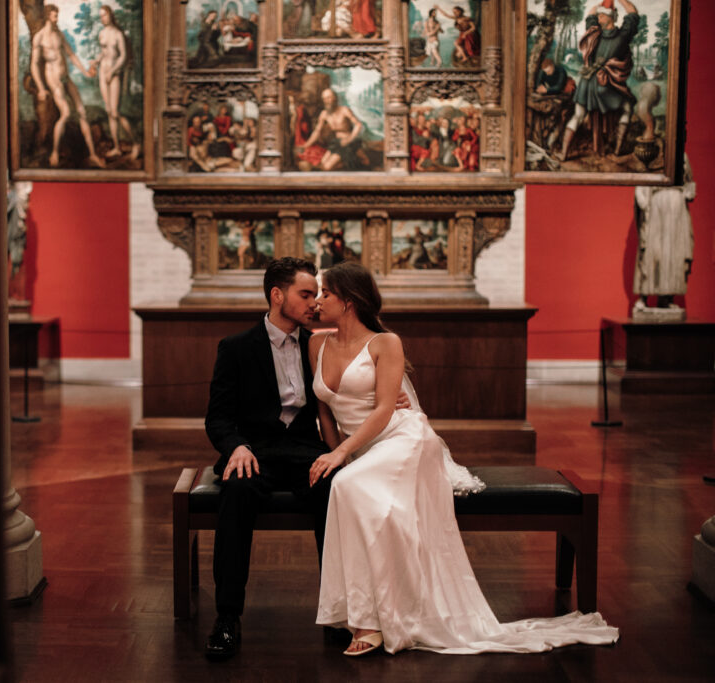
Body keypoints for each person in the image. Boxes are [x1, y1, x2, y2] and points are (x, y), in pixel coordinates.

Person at [308, 262, 620, 655]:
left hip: (402, 438)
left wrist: (340, 455)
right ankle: (360, 609)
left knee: (346, 485)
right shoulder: (316, 344)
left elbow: (387, 408)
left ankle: (371, 621)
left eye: (325, 294)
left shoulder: (385, 343)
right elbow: (324, 410)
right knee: (355, 492)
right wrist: (341, 452)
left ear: (349, 302)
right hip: (362, 448)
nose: (318, 302)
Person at [202, 257, 411, 661]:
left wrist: (389, 399)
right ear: (276, 295)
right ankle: (227, 616)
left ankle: (341, 611)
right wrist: (236, 447)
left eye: (317, 294)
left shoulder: (318, 343)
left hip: (303, 452)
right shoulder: (236, 348)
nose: (314, 302)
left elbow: (343, 393)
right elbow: (218, 417)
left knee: (337, 488)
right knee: (237, 490)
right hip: (255, 452)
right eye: (305, 294)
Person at [558, 0, 640, 161]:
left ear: (610, 18)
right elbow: (632, 14)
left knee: (578, 115)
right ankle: (617, 150)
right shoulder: (622, 36)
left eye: (602, 15)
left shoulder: (593, 34)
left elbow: (590, 15)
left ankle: (563, 153)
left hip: (587, 84)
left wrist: (599, 7)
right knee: (627, 109)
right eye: (599, 15)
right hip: (606, 85)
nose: (598, 17)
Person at [31, 4, 106, 169]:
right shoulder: (40, 38)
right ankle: (55, 152)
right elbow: (34, 65)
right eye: (54, 16)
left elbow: (71, 55)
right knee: (65, 113)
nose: (56, 18)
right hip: (54, 80)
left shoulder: (59, 35)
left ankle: (93, 155)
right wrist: (41, 87)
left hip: (66, 78)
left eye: (57, 15)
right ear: (47, 17)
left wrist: (86, 72)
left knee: (82, 112)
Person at [633, 156, 696, 310]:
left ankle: (666, 298)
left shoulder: (683, 155)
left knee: (674, 253)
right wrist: (643, 202)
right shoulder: (654, 152)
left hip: (676, 207)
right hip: (656, 204)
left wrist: (687, 191)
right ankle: (643, 297)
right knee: (653, 252)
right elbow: (642, 180)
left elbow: (689, 182)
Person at [90, 5, 139, 161]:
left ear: (110, 15)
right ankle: (117, 148)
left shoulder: (118, 34)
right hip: (103, 72)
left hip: (114, 73)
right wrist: (96, 61)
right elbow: (104, 52)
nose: (102, 18)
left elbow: (123, 56)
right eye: (101, 16)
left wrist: (113, 71)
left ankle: (136, 143)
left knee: (116, 112)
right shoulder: (102, 33)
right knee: (110, 113)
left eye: (104, 15)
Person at [300, 89, 366, 171]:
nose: (327, 101)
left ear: (335, 98)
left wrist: (349, 139)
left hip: (349, 143)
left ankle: (350, 161)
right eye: (324, 99)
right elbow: (317, 131)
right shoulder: (324, 114)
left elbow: (358, 125)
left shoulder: (344, 110)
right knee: (323, 162)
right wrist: (306, 145)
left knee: (327, 167)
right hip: (336, 143)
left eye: (329, 98)